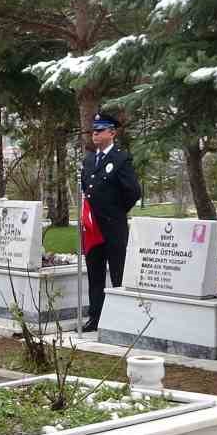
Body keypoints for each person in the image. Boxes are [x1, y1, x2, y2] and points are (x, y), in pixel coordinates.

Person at [78, 113, 142, 333]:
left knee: (118, 273)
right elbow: (86, 191)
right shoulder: (88, 160)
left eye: (100, 130)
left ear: (112, 133)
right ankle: (95, 316)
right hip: (93, 228)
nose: (94, 134)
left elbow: (133, 191)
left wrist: (116, 212)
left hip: (113, 226)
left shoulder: (121, 158)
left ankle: (121, 319)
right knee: (95, 273)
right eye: (93, 130)